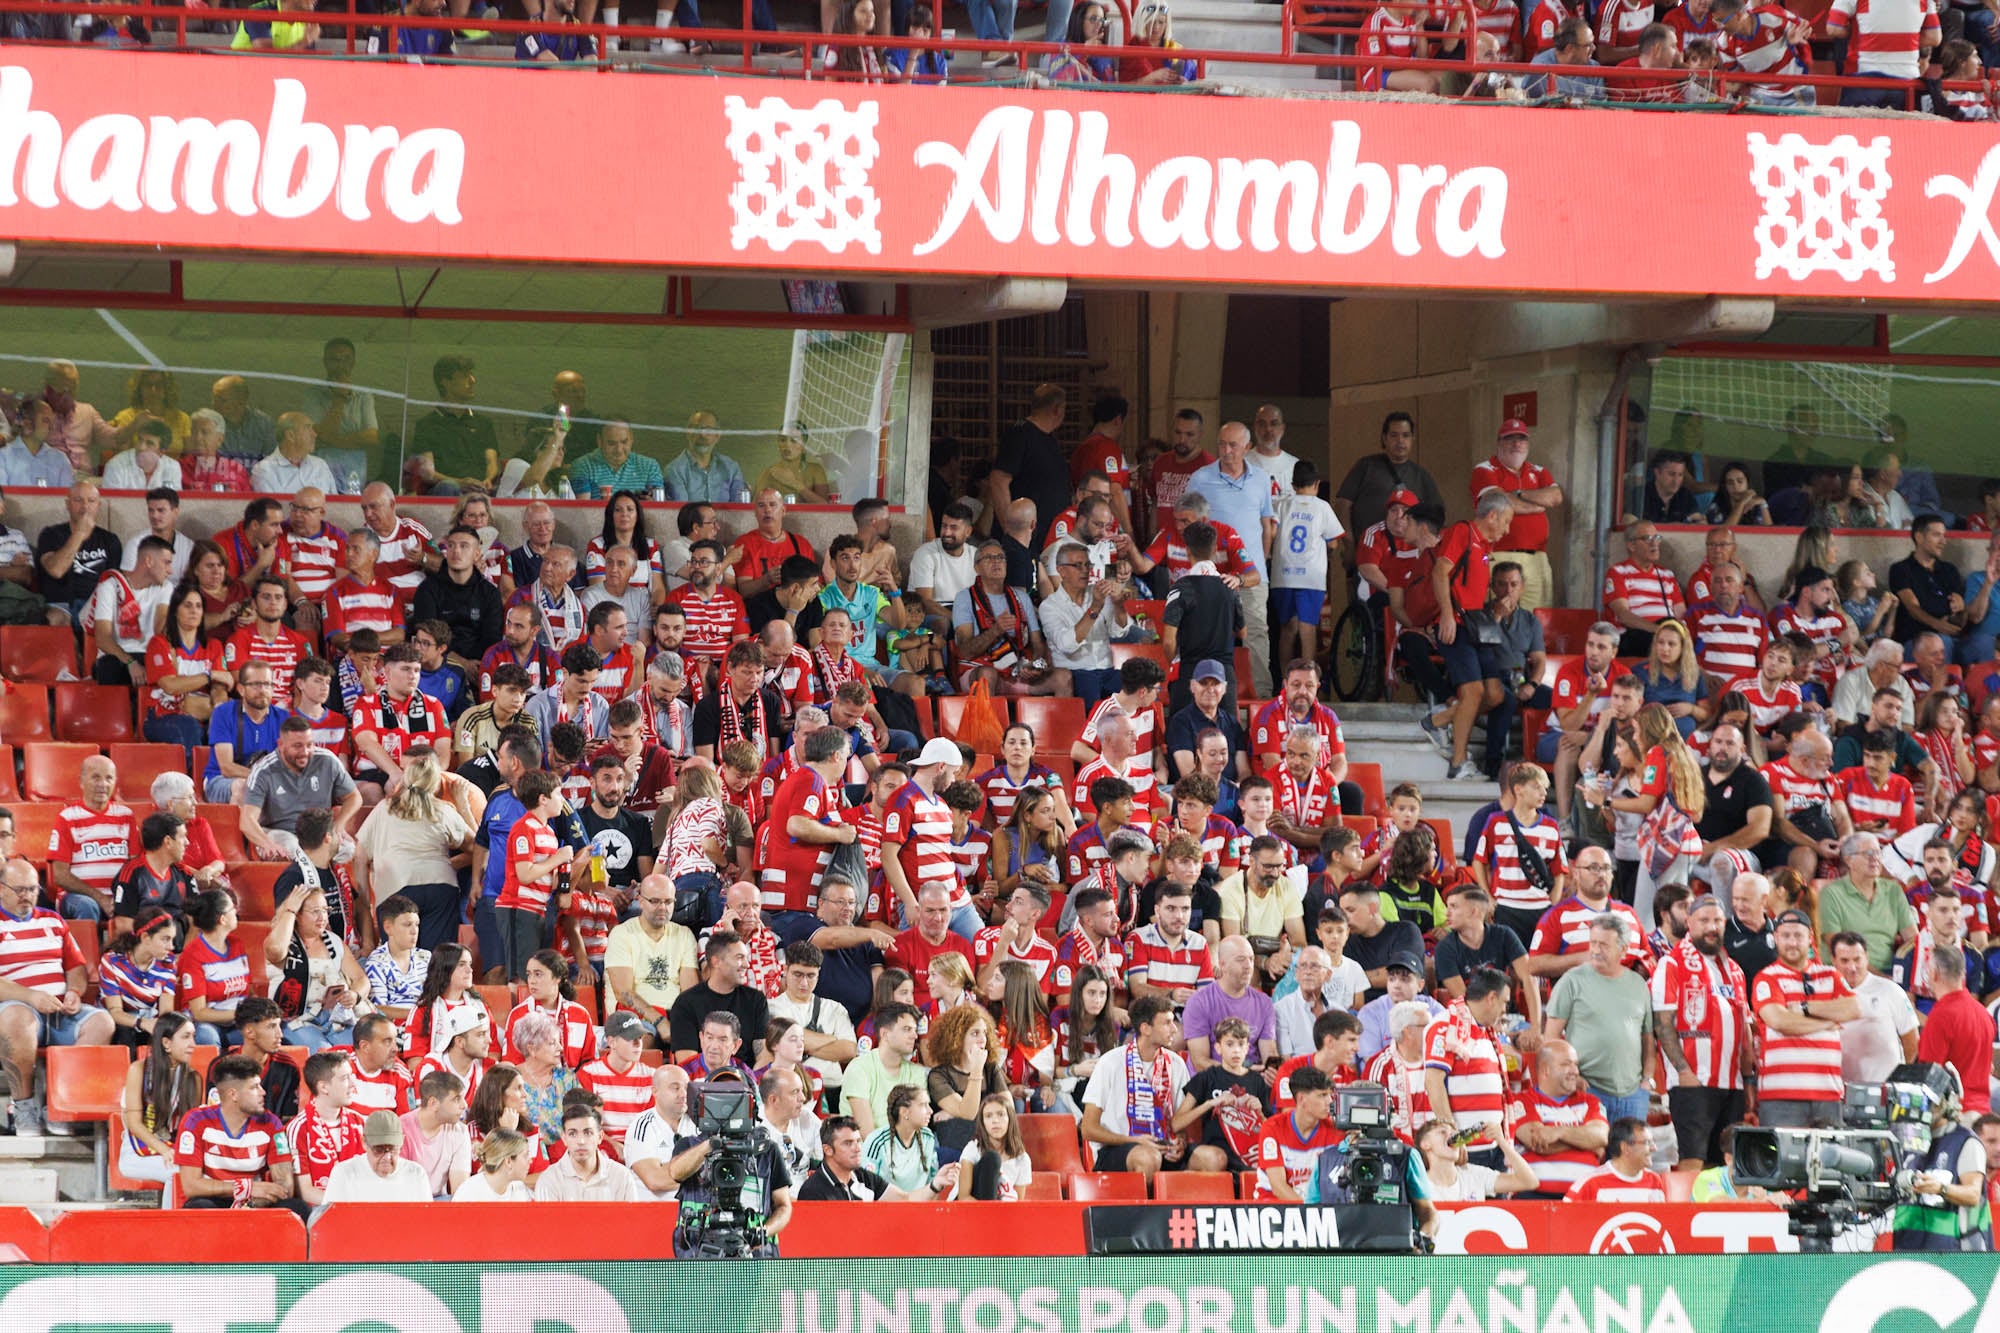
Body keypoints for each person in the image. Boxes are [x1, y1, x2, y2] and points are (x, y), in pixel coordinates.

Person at [351, 748, 472, 952]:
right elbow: (478, 845)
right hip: (440, 886)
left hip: (395, 886)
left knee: (399, 967)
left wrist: (366, 903)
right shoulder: (443, 809)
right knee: (436, 964)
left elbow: (359, 858)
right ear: (435, 783)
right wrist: (463, 805)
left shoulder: (384, 808)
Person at [1752, 908, 1859, 1128]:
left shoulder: (1830, 974)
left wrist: (1804, 1007)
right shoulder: (1766, 977)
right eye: (1786, 936)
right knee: (1784, 1162)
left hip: (1828, 1094)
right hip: (1780, 1096)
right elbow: (1780, 1021)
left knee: (1832, 1161)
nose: (1792, 942)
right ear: (1775, 939)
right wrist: (1828, 1021)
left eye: (1798, 936)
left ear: (1810, 938)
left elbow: (1853, 1008)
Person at [1545, 915, 1655, 1126]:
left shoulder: (1638, 985)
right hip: (1587, 1089)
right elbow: (1550, 1039)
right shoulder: (1572, 980)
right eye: (1593, 943)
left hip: (1633, 1096)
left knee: (1631, 1157)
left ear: (1623, 950)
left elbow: (1648, 1039)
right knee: (1590, 1156)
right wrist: (1569, 1078)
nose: (1595, 950)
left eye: (1604, 945)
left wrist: (1647, 1080)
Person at [176, 1054, 310, 1217]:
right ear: (233, 1094)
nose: (263, 1092)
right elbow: (191, 1187)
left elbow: (285, 1186)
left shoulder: (271, 1123)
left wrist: (250, 1202)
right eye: (254, 1087)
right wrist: (245, 1188)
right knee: (198, 1207)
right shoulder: (195, 1121)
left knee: (296, 1208)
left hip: (256, 1202)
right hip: (215, 1200)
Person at [1080, 995, 1188, 1179]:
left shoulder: (1176, 1063)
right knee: (1148, 1157)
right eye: (1167, 1023)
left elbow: (1182, 1123)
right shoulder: (1110, 1062)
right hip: (1118, 1150)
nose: (1174, 1029)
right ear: (1145, 1028)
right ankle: (1147, 1209)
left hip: (1163, 1146)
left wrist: (1181, 1142)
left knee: (1211, 1158)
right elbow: (1088, 1129)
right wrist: (1134, 1140)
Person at [264, 881, 371, 1055]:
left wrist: (355, 995)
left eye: (325, 910)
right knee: (325, 1055)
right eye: (315, 912)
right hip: (295, 1019)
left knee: (360, 1050)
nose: (322, 917)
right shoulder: (283, 940)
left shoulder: (334, 941)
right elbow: (275, 952)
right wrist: (289, 910)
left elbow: (361, 980)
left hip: (334, 1016)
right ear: (297, 915)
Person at [1917, 944, 1996, 1118]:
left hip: (1956, 1116)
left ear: (1934, 974)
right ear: (1963, 975)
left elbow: (1930, 1074)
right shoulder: (1983, 1013)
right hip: (1983, 1114)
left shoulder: (1940, 1017)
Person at [1417, 1117, 1540, 1201]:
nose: (1452, 1136)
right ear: (1425, 1144)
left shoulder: (1474, 1175)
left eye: (1454, 1133)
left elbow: (1529, 1182)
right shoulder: (1418, 1184)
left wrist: (1501, 1141)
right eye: (1442, 1132)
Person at [1564, 1116, 1668, 1203]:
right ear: (1625, 1147)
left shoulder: (1655, 1181)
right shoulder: (1591, 1183)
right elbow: (1564, 1219)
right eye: (1647, 1143)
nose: (1654, 1148)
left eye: (1653, 1142)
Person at [454, 1129, 535, 1203]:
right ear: (508, 1161)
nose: (530, 1161)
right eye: (525, 1155)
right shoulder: (468, 1194)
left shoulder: (520, 1189)